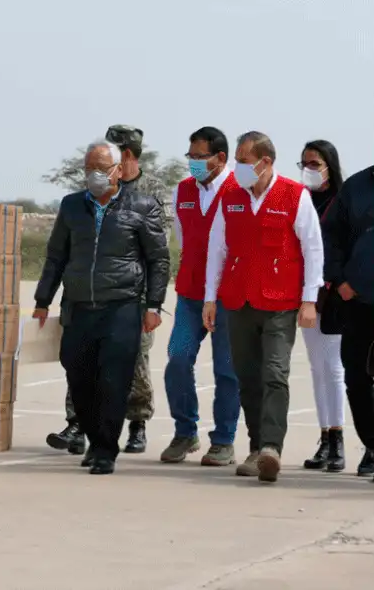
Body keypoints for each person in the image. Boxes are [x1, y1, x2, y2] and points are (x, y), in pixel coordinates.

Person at [34, 139, 170, 475]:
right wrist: (42, 300)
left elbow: (158, 259)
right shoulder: (70, 207)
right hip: (79, 305)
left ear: (119, 170)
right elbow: (56, 256)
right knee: (78, 375)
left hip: (122, 305)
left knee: (113, 379)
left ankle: (106, 450)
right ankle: (95, 440)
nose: (95, 175)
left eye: (102, 168)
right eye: (89, 168)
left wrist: (154, 304)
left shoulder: (142, 206)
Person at [203, 131, 324, 483]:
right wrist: (210, 298)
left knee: (274, 373)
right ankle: (257, 447)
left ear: (265, 162)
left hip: (280, 303)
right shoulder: (230, 197)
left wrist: (309, 300)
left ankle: (271, 448)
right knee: (248, 376)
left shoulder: (294, 195)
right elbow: (217, 251)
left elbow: (313, 250)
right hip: (238, 301)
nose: (237, 167)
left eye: (243, 160)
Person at [160, 126, 241, 466]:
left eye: (199, 157)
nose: (193, 163)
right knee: (178, 358)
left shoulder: (239, 189)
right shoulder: (183, 191)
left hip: (229, 296)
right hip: (191, 293)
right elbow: (182, 236)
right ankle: (185, 430)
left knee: (227, 369)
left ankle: (223, 440)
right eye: (189, 157)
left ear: (220, 158)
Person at [296, 140, 350, 473]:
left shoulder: (342, 201)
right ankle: (325, 439)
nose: (308, 169)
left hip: (334, 294)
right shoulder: (300, 199)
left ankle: (339, 439)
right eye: (303, 163)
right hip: (307, 294)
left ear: (329, 164)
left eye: (314, 163)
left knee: (334, 368)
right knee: (316, 368)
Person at [322, 162, 374, 483]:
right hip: (359, 302)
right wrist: (339, 280)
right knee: (357, 378)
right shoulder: (356, 188)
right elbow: (330, 236)